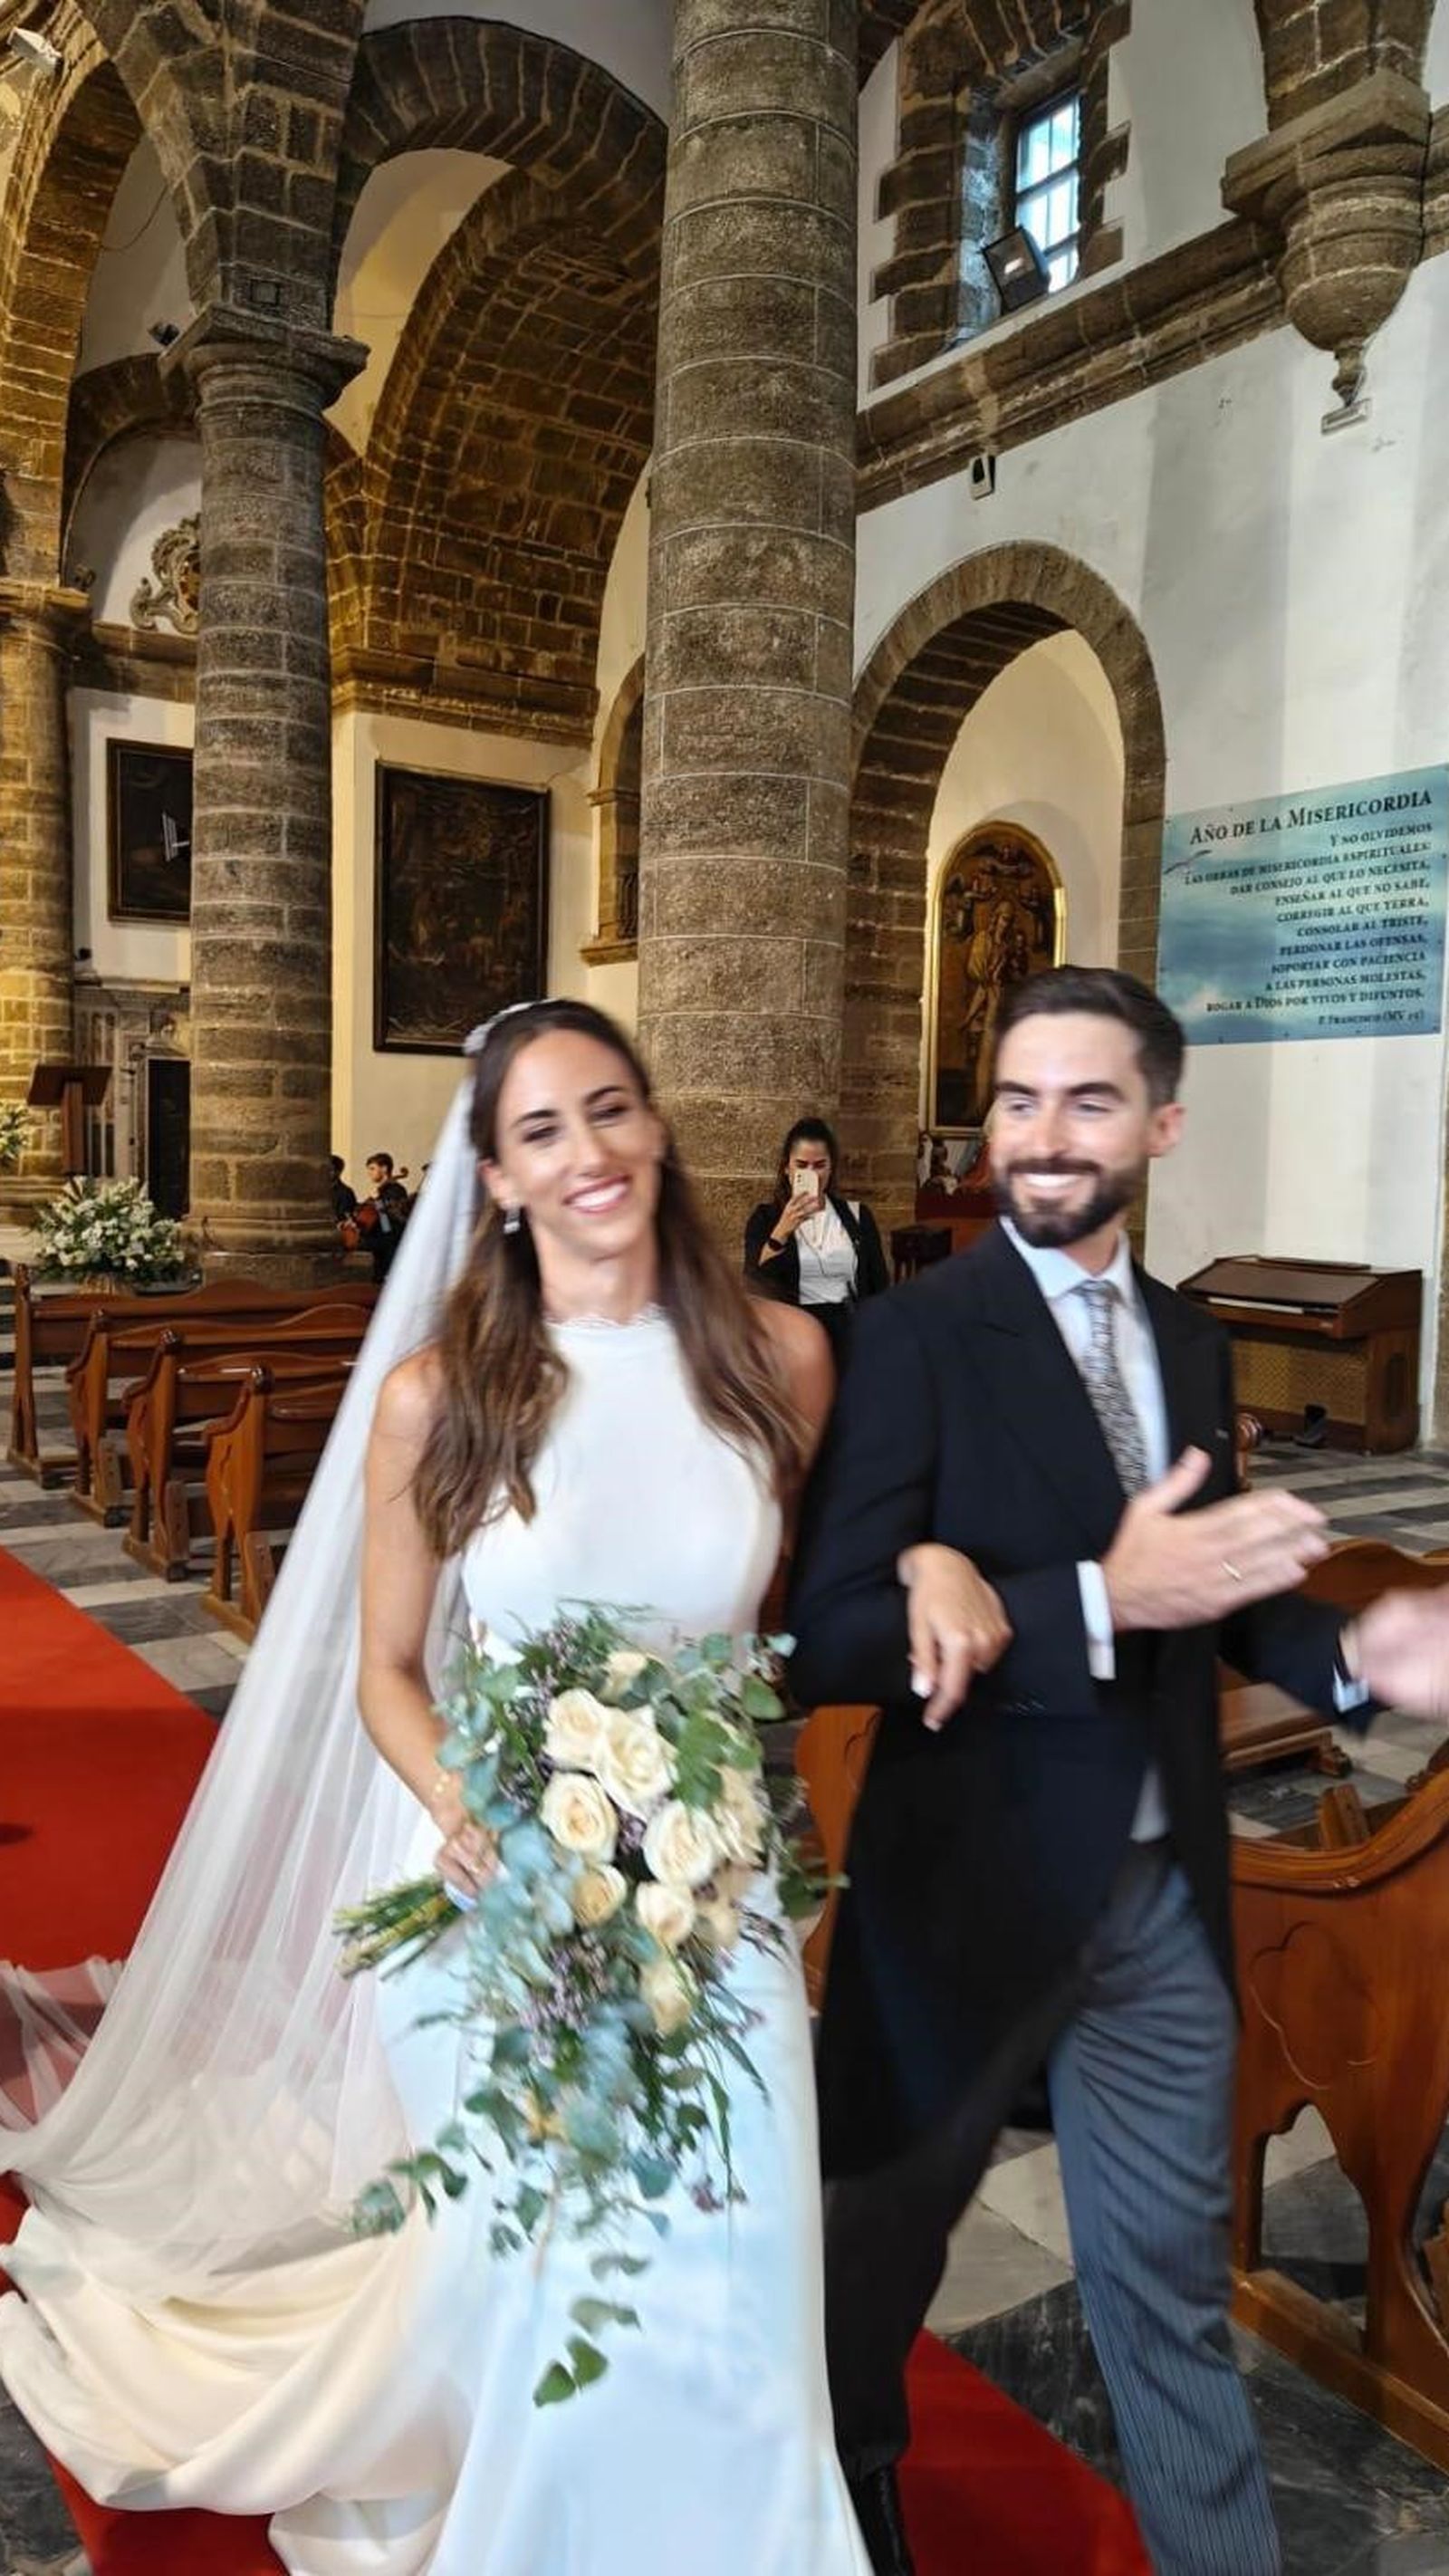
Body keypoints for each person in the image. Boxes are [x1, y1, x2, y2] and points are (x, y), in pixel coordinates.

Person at [0, 999, 870, 2576]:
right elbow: (385, 1669)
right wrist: (477, 1812)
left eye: (609, 1108)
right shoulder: (438, 1397)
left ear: (656, 1127)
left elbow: (758, 1637)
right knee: (554, 2268)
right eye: (541, 1129)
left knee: (742, 2262)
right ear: (495, 1176)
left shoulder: (784, 1358)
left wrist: (728, 1826)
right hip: (496, 1889)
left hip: (712, 1895)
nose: (588, 1151)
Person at [787, 966, 1449, 2576]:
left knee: (1162, 2296)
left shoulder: (1191, 1340)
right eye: (1018, 1096)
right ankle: (841, 2524)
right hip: (948, 1914)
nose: (1043, 1132)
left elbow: (1220, 1600)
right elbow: (833, 1631)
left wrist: (1361, 1664)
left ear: (1160, 1119)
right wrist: (1079, 1598)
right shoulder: (912, 1335)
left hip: (1153, 1911)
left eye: (1087, 1099)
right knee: (861, 2292)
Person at [744, 1118, 889, 1361]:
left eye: (820, 1165)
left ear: (831, 1168)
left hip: (848, 1331)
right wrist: (782, 1231)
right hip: (795, 1336)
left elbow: (878, 1284)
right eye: (802, 1165)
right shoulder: (766, 1218)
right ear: (787, 1168)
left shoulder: (857, 1216)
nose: (812, 1174)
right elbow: (753, 1282)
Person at [331, 1153, 359, 1225]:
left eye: (330, 1169)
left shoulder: (345, 1192)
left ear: (338, 1172)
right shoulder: (317, 1190)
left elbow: (343, 1217)